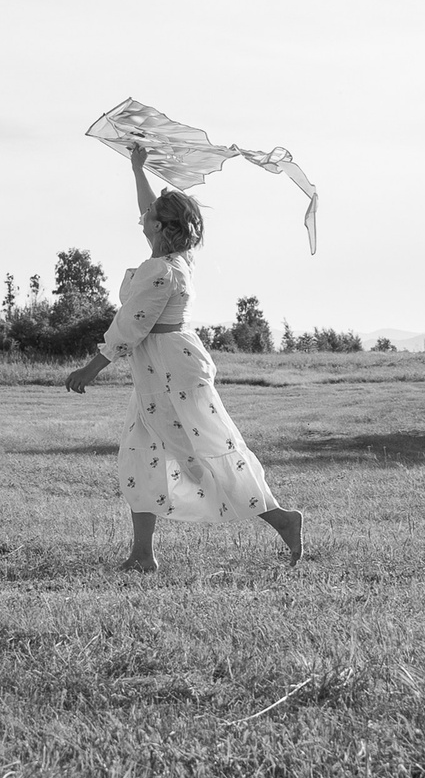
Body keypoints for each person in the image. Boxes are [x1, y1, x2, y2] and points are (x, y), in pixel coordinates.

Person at [66, 143, 305, 571]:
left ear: (160, 227)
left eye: (148, 219)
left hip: (172, 372)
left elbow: (129, 327)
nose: (141, 220)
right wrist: (138, 170)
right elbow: (149, 209)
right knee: (142, 452)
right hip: (157, 373)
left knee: (204, 455)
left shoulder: (163, 271)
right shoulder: (174, 259)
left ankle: (281, 518)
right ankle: (142, 554)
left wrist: (91, 368)